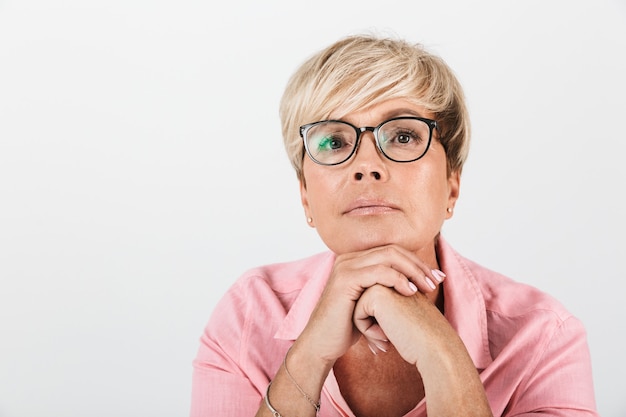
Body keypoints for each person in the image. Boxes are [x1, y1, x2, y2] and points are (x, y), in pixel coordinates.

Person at [190, 34, 599, 417]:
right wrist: (309, 355)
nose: (367, 166)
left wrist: (443, 356)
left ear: (451, 186)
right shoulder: (248, 314)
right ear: (305, 196)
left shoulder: (544, 336)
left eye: (403, 136)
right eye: (333, 142)